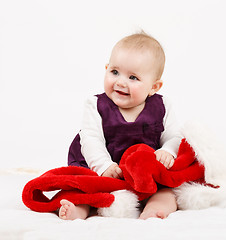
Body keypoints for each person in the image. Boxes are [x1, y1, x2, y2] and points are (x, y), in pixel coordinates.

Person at [59, 31, 182, 220]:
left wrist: (168, 151)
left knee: (170, 191)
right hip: (103, 169)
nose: (121, 82)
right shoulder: (96, 105)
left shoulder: (162, 106)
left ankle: (153, 210)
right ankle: (79, 210)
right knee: (84, 188)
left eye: (133, 78)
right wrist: (103, 166)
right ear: (106, 68)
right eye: (114, 72)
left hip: (143, 174)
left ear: (154, 87)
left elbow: (174, 135)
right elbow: (91, 139)